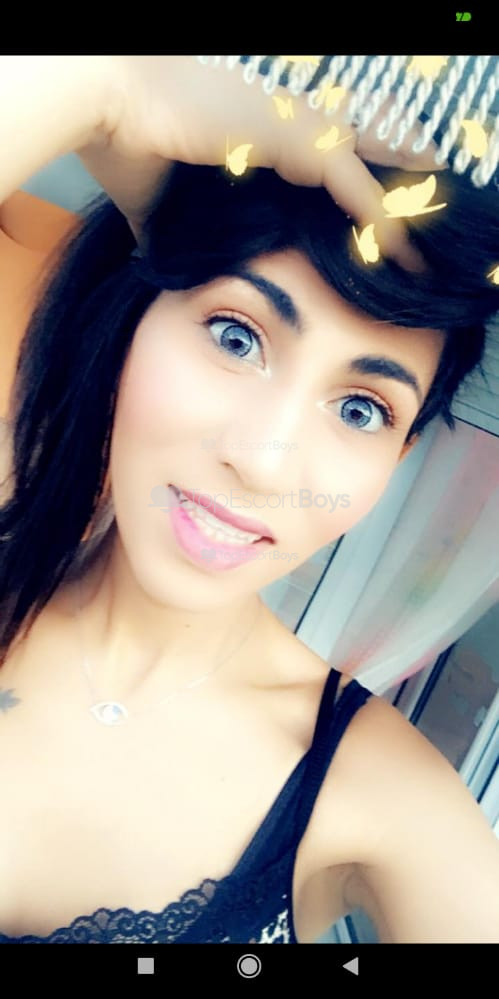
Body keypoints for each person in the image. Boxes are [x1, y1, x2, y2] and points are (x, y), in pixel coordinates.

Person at [0, 55, 498, 945]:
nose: (264, 463)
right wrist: (102, 86)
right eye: (236, 336)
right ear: (135, 323)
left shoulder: (381, 803)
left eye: (360, 408)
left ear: (399, 453)